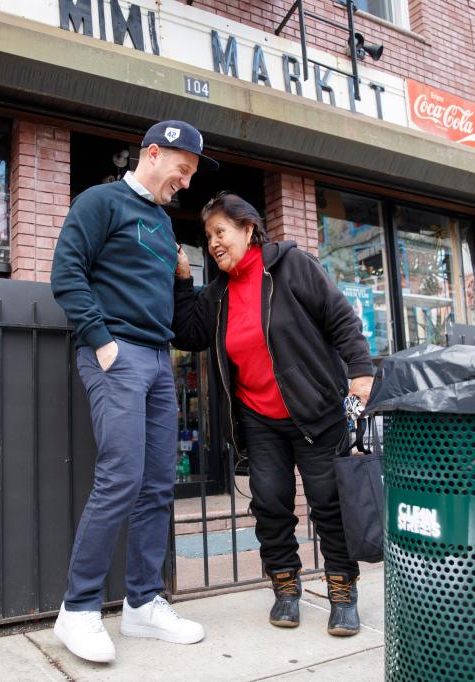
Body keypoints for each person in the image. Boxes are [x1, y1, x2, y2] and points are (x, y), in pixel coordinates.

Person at [50, 120, 218, 663]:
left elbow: (172, 307)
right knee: (120, 475)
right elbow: (66, 272)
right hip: (116, 354)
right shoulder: (101, 201)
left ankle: (143, 605)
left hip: (157, 360)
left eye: (191, 174)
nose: (186, 182)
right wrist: (101, 343)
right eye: (183, 169)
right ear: (152, 153)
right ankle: (77, 611)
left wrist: (185, 280)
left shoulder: (164, 226)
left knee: (157, 484)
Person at [171, 192, 374, 636]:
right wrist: (184, 280)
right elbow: (188, 334)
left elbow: (340, 317)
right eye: (208, 237)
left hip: (316, 412)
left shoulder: (290, 266)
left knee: (328, 504)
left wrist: (361, 371)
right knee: (270, 505)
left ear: (248, 229)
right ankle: (285, 589)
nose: (214, 243)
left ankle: (342, 592)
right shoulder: (218, 293)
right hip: (259, 419)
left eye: (220, 231)